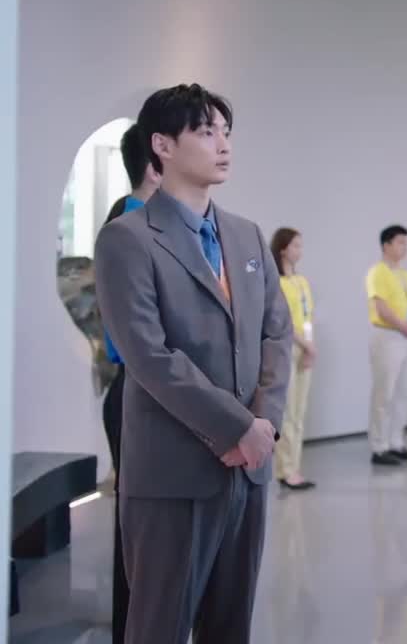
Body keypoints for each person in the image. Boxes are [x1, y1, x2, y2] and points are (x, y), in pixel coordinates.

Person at [95, 83, 292, 644]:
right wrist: (235, 427)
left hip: (248, 469)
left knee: (231, 627)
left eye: (225, 132)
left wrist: (263, 425)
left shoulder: (247, 236)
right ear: (161, 145)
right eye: (206, 132)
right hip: (172, 473)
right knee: (158, 626)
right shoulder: (127, 239)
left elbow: (276, 332)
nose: (222, 145)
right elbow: (148, 354)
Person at [98, 121, 160, 644]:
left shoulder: (137, 218)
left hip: (141, 389)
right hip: (137, 391)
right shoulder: (132, 225)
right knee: (138, 530)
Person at [366, 225, 407, 466]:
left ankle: (396, 442)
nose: (404, 247)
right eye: (400, 242)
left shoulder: (405, 275)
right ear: (386, 245)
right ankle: (379, 447)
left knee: (404, 391)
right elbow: (381, 307)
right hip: (387, 336)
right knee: (384, 393)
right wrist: (403, 325)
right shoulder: (377, 272)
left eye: (406, 243)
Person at [271, 227, 317, 490]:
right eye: (295, 245)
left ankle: (294, 467)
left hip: (306, 348)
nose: (300, 250)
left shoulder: (301, 282)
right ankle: (285, 469)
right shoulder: (276, 283)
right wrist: (305, 345)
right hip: (287, 348)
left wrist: (310, 348)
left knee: (299, 411)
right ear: (282, 249)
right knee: (287, 412)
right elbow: (282, 320)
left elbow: (307, 317)